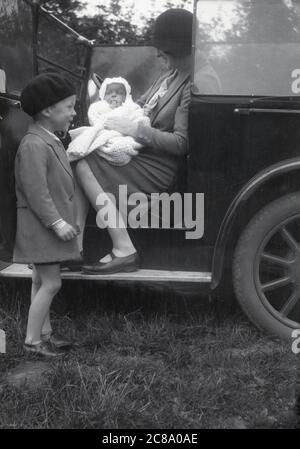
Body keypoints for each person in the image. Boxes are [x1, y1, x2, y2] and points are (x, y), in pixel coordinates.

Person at [75, 8, 192, 274]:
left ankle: (124, 249)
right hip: (143, 153)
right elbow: (139, 105)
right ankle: (75, 248)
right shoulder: (170, 75)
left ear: (183, 48)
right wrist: (110, 102)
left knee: (82, 162)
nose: (158, 53)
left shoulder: (193, 83)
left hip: (160, 164)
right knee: (78, 155)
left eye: (165, 48)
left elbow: (182, 143)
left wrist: (133, 129)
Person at [13, 72, 80, 357]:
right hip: (43, 228)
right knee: (52, 283)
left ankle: (44, 335)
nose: (73, 112)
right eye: (69, 107)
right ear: (47, 110)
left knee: (40, 281)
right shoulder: (34, 145)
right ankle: (32, 341)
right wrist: (57, 222)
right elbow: (36, 192)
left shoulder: (47, 139)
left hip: (43, 228)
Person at [67, 77, 150, 166]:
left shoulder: (131, 107)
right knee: (83, 134)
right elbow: (94, 118)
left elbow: (140, 120)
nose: (114, 95)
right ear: (103, 96)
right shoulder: (98, 107)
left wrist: (142, 114)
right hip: (102, 133)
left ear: (126, 97)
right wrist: (104, 121)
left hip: (123, 135)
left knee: (121, 146)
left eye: (119, 93)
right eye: (109, 92)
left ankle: (112, 152)